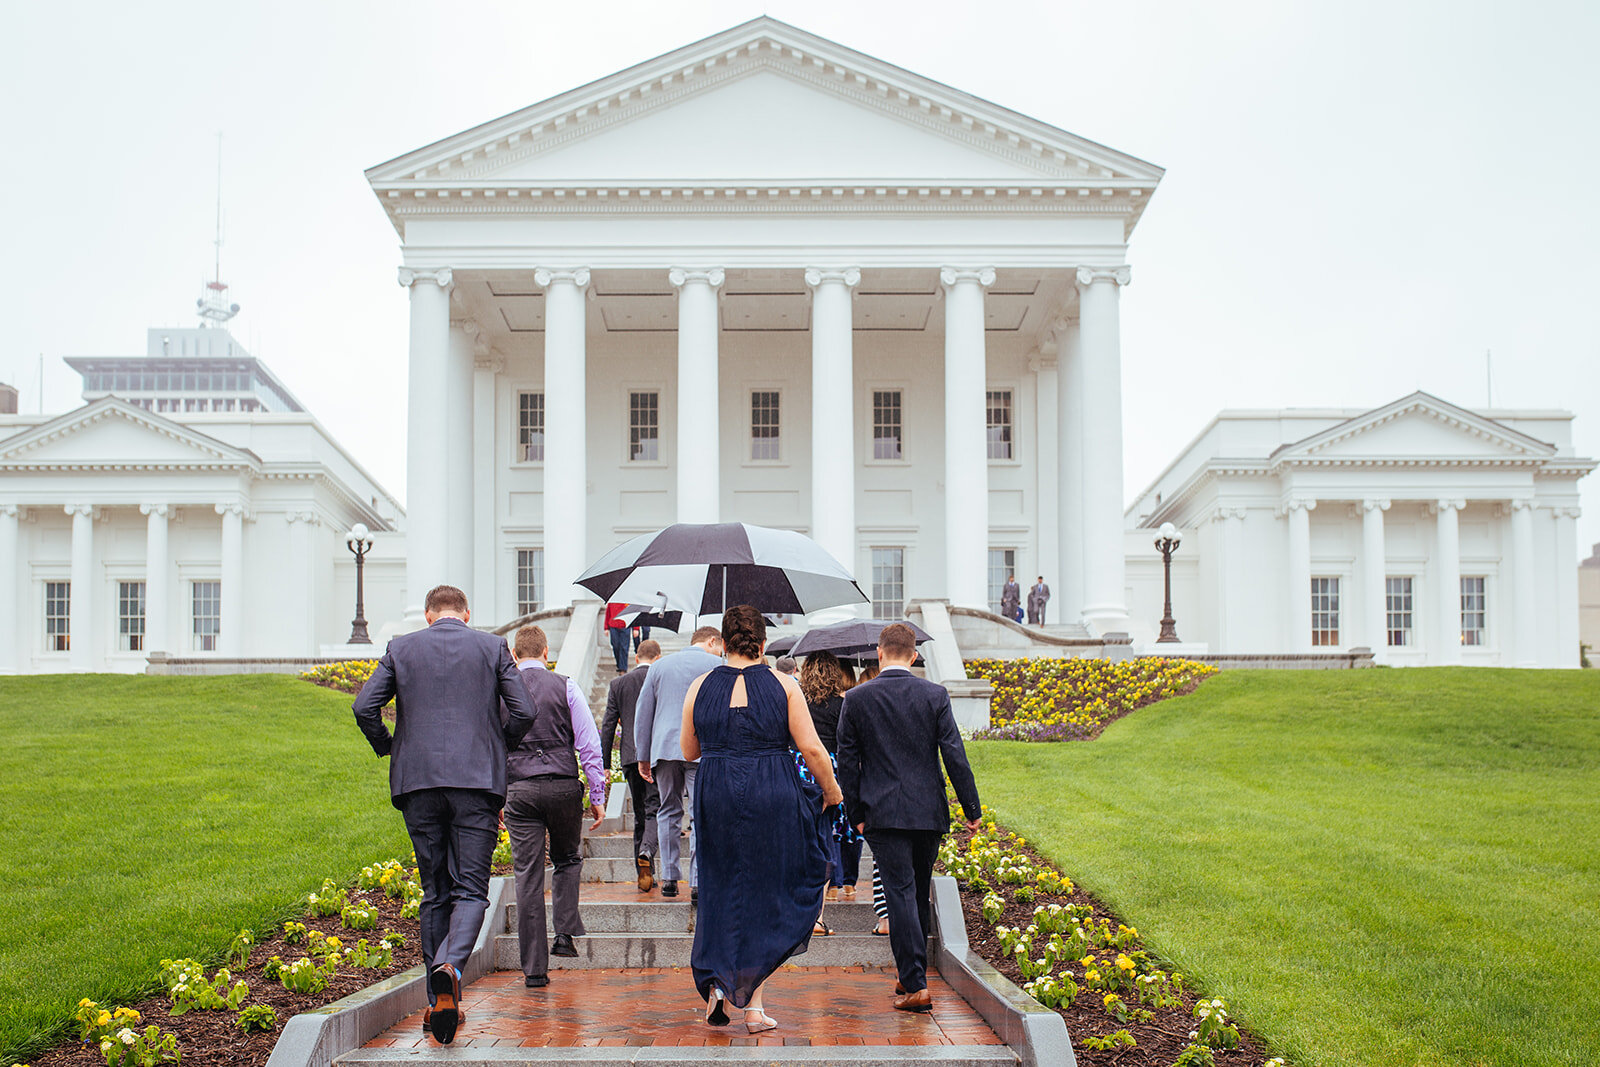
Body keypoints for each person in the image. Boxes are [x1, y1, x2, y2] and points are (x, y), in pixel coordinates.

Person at [351, 584, 538, 1045]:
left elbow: (363, 706)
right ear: (466, 614)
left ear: (429, 615)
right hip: (476, 782)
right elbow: (525, 710)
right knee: (471, 888)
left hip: (418, 783)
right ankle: (451, 967)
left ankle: (437, 1000)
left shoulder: (402, 647)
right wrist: (498, 746)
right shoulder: (492, 646)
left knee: (434, 890)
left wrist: (391, 746)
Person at [682, 604, 842, 1034]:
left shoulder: (699, 685)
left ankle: (717, 986)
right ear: (762, 643)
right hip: (770, 788)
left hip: (715, 791)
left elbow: (688, 751)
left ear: (723, 642)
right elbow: (811, 749)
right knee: (765, 890)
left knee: (718, 885)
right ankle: (753, 1007)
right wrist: (831, 791)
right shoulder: (784, 683)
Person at [837, 622, 982, 1014]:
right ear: (914, 655)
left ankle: (915, 983)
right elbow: (954, 754)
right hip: (927, 811)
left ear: (880, 654)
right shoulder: (934, 694)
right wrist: (972, 809)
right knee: (915, 892)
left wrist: (855, 815)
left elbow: (847, 763)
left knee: (902, 893)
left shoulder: (857, 698)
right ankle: (910, 973)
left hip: (881, 813)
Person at [502, 625, 606, 989]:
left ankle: (534, 970)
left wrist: (497, 796)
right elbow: (590, 746)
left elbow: (492, 747)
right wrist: (597, 796)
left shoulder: (501, 691)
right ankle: (564, 933)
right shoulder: (566, 685)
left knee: (527, 879)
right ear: (546, 652)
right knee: (567, 859)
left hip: (520, 788)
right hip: (563, 786)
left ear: (515, 655)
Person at [633, 625, 725, 899]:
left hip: (664, 748)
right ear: (712, 641)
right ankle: (697, 881)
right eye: (720, 646)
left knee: (668, 811)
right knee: (700, 815)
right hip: (702, 749)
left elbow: (643, 711)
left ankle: (670, 877)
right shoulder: (719, 665)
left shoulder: (661, 666)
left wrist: (643, 754)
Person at [799, 651, 862, 904]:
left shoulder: (799, 701)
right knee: (839, 825)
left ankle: (826, 883)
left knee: (814, 826)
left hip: (803, 765)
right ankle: (843, 881)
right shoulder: (843, 703)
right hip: (835, 765)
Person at [601, 638, 662, 892]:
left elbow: (607, 726)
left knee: (640, 814)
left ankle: (643, 873)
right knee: (655, 809)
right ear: (658, 658)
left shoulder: (618, 683)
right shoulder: (660, 680)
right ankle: (647, 850)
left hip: (629, 756)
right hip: (657, 755)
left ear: (636, 658)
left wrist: (605, 763)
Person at [604, 602, 631, 673]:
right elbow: (608, 614)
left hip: (625, 626)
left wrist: (636, 629)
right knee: (615, 646)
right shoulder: (612, 601)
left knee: (624, 647)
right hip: (613, 626)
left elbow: (633, 614)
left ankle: (623, 668)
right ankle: (619, 664)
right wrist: (606, 628)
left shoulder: (629, 600)